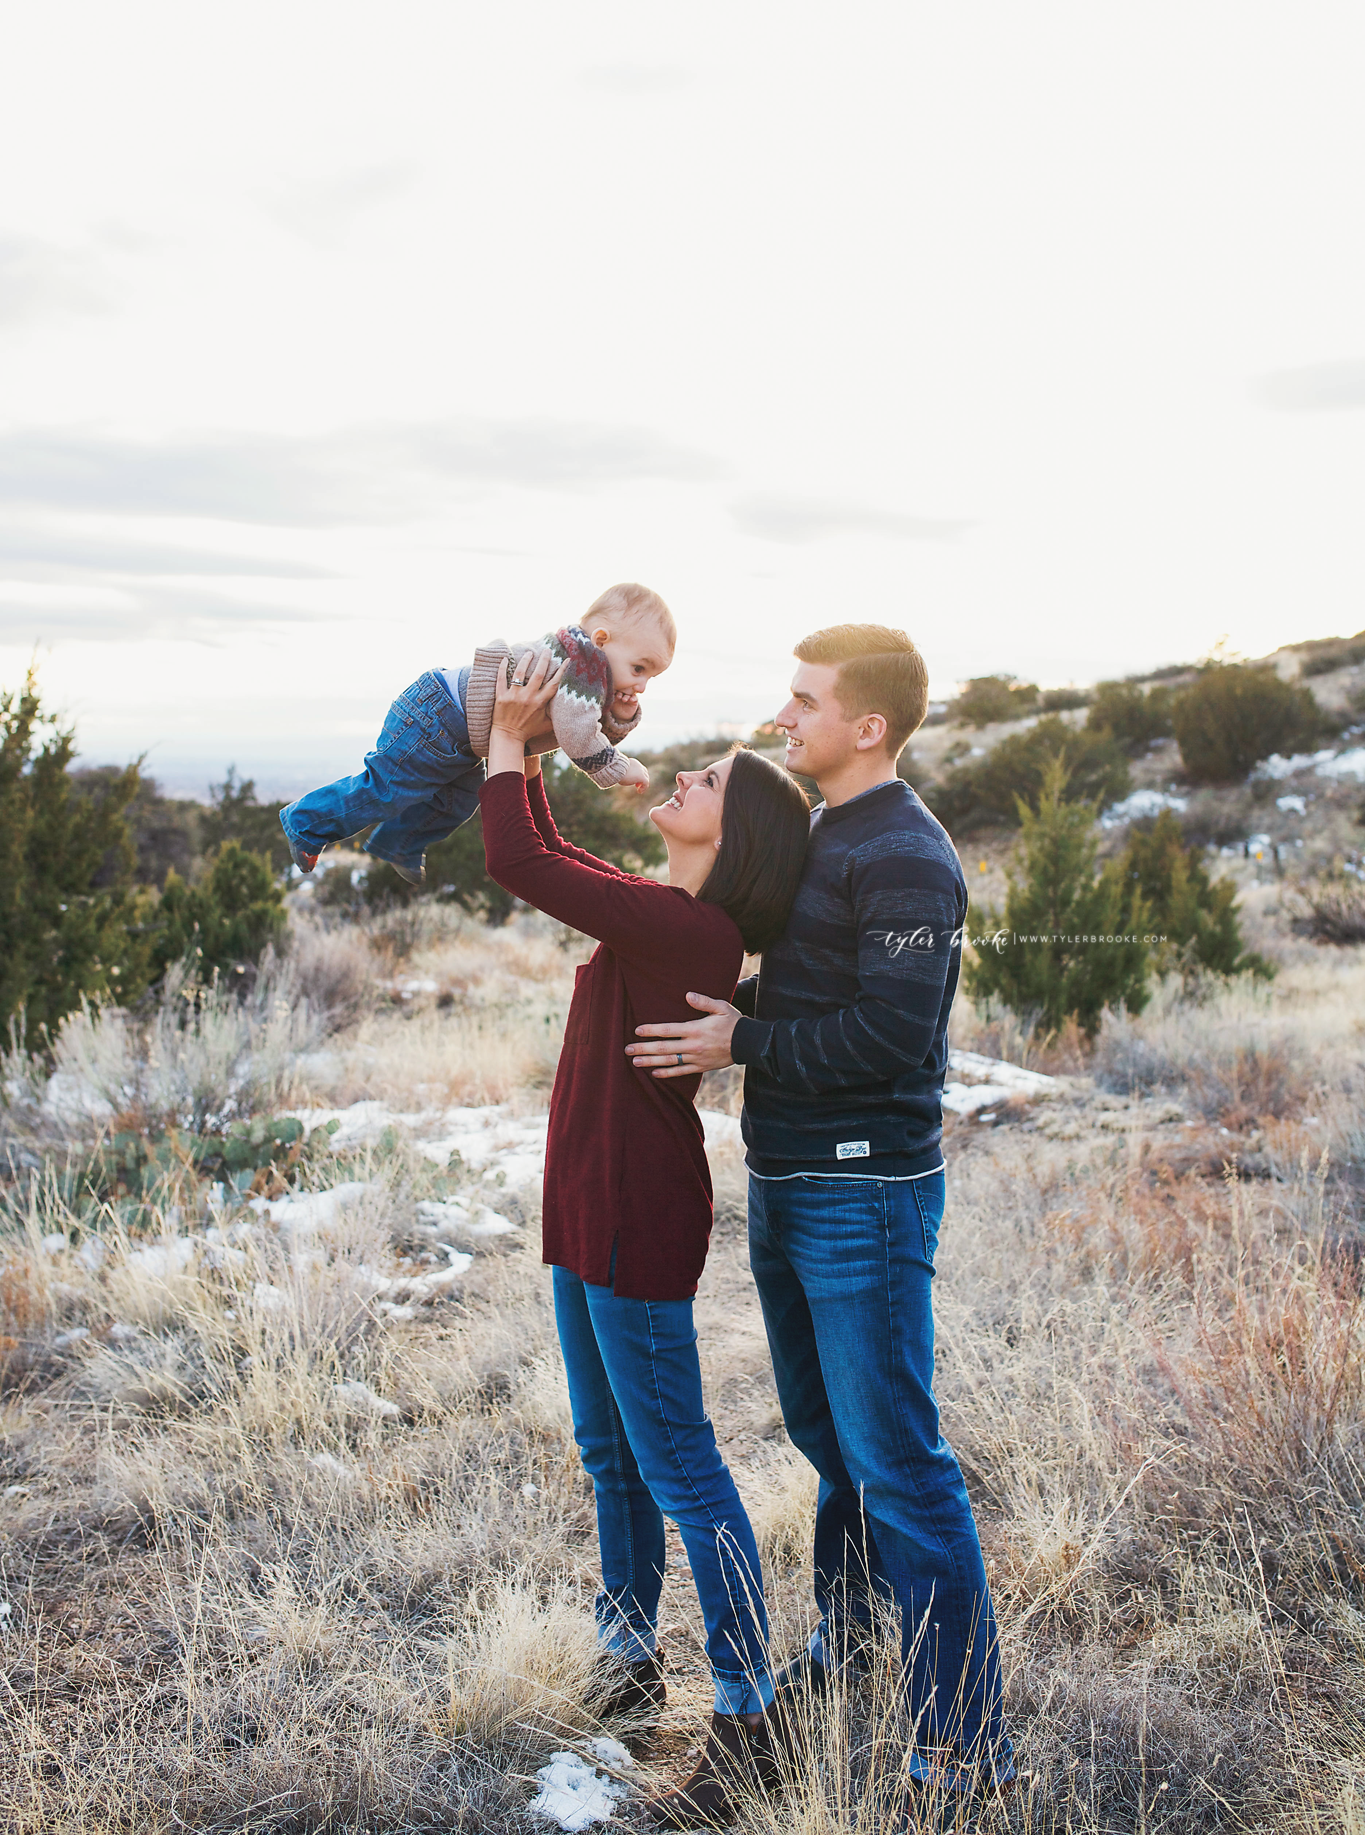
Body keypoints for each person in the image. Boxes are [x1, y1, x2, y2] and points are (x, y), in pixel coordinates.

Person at [627, 624, 1015, 1816]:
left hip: (865, 1193)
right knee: (828, 1442)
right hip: (789, 1182)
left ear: (868, 728)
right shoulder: (828, 832)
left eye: (804, 702)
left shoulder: (907, 854)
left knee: (900, 1463)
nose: (781, 718)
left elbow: (893, 1034)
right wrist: (724, 998)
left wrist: (740, 1039)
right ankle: (852, 1643)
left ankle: (962, 1742)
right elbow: (811, 989)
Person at [480, 646, 812, 1832]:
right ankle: (629, 1665)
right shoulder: (670, 912)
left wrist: (511, 734)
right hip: (582, 1207)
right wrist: (549, 755)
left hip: (636, 1212)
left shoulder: (695, 935)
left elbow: (521, 857)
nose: (683, 776)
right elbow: (564, 861)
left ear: (743, 837)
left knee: (682, 1467)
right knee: (610, 1456)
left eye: (709, 779)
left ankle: (747, 1712)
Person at [277, 581, 672, 886]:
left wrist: (620, 713)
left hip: (458, 731)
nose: (642, 684)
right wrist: (620, 768)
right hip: (436, 715)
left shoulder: (586, 667)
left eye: (652, 677)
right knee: (386, 789)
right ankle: (306, 823)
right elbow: (577, 732)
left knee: (457, 802)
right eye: (639, 669)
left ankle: (399, 843)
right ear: (602, 639)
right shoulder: (582, 665)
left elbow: (587, 722)